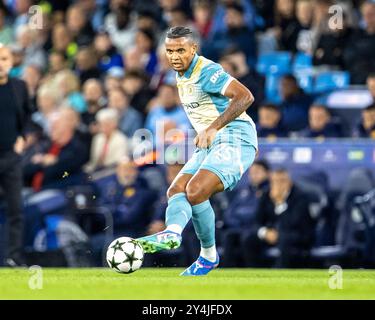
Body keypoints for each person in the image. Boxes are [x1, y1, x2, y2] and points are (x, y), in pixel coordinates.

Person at [137, 26, 258, 276]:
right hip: (211, 142)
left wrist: (213, 128)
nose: (175, 56)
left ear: (193, 49)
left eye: (181, 50)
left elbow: (245, 96)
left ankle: (207, 255)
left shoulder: (207, 71)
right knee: (176, 189)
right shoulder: (179, 75)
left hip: (235, 137)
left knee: (195, 190)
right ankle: (174, 234)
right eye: (170, 51)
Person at [242, 168, 315, 268]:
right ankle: (254, 272)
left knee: (284, 238)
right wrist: (265, 233)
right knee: (249, 239)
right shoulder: (266, 195)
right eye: (275, 181)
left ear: (289, 182)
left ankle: (279, 272)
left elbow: (292, 225)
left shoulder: (300, 197)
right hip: (272, 235)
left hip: (297, 236)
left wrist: (280, 203)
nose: (279, 184)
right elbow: (256, 222)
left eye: (282, 181)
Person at [0, 45, 31, 267]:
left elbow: (27, 115)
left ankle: (13, 257)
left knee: (16, 209)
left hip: (11, 156)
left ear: (11, 61)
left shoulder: (19, 87)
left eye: (4, 58)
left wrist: (23, 136)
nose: (1, 63)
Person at [221, 160, 270, 267]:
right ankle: (227, 271)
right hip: (239, 228)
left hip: (256, 230)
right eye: (251, 172)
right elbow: (230, 213)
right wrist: (238, 221)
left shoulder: (269, 191)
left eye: (257, 172)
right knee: (229, 236)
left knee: (247, 238)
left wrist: (242, 217)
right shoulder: (244, 191)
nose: (253, 175)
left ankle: (253, 271)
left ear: (267, 173)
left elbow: (259, 214)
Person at [84, 108, 129, 173]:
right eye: (101, 124)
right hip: (95, 171)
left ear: (114, 124)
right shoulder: (97, 138)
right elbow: (93, 161)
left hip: (111, 172)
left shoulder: (121, 139)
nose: (103, 127)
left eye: (107, 124)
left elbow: (117, 163)